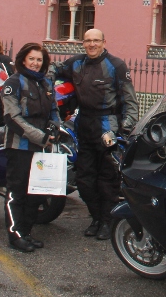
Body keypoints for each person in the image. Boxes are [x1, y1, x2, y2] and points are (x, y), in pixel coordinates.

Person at [54, 29, 139, 241]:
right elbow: (52, 69)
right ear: (83, 43)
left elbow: (130, 100)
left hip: (108, 127)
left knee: (107, 179)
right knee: (84, 179)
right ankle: (95, 217)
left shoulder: (116, 65)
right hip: (83, 125)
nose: (92, 44)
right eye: (88, 41)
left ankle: (107, 221)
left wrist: (125, 128)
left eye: (96, 41)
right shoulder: (76, 63)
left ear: (104, 42)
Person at [1, 43, 61, 253]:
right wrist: (42, 137)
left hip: (41, 147)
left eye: (39, 60)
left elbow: (54, 111)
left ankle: (26, 232)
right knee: (16, 193)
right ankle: (15, 235)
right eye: (32, 59)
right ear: (23, 60)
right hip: (20, 147)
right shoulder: (14, 83)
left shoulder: (45, 83)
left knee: (35, 192)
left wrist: (55, 128)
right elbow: (12, 118)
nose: (35, 63)